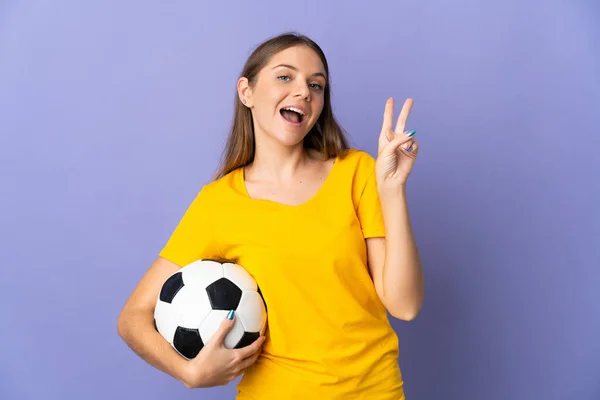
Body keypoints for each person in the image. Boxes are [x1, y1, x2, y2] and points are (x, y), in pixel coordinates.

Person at [117, 32, 424, 400]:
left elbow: (404, 305)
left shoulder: (356, 172)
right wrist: (189, 371)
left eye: (316, 85)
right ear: (246, 91)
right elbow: (133, 317)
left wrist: (392, 190)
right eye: (285, 76)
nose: (304, 92)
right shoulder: (219, 202)